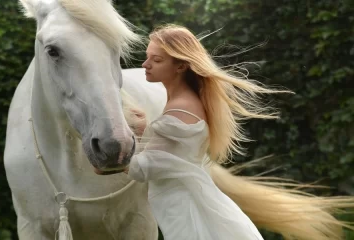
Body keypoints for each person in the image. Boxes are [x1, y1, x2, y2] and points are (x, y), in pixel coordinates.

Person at [124, 24, 354, 240]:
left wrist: (111, 161)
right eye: (147, 57)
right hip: (183, 201)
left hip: (183, 207)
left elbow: (144, 168)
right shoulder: (184, 102)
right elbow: (172, 156)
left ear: (181, 66)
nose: (145, 64)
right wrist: (144, 131)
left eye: (156, 60)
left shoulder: (180, 107)